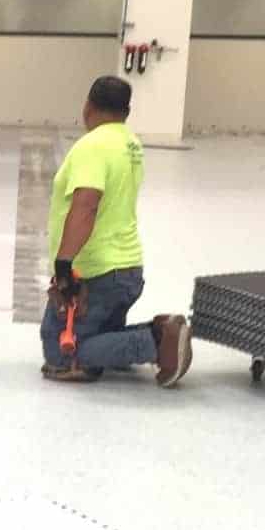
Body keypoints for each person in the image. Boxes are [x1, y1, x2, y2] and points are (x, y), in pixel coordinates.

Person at [40, 76, 193, 387]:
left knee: (60, 353)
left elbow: (86, 206)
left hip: (96, 275)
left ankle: (156, 341)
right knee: (93, 335)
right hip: (126, 270)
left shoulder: (93, 146)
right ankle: (159, 332)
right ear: (126, 111)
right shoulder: (130, 143)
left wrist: (64, 266)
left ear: (88, 106)